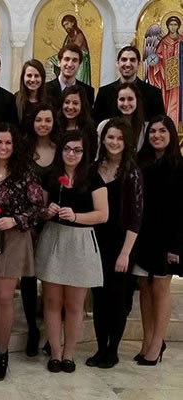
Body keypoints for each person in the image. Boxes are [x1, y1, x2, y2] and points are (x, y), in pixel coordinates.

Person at [0, 124, 44, 381]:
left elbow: (38, 208)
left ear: (14, 146)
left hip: (14, 236)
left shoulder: (24, 173)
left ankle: (3, 354)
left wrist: (15, 220)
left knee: (4, 296)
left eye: (8, 143)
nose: (3, 147)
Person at [35, 130, 108, 373]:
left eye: (77, 150)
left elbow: (102, 214)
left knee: (75, 305)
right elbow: (40, 211)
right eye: (67, 149)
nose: (71, 154)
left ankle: (69, 354)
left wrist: (76, 216)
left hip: (80, 241)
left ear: (84, 152)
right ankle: (55, 353)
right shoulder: (50, 176)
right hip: (53, 238)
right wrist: (47, 212)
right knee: (52, 302)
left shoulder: (93, 177)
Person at [88, 118, 143, 369]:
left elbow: (136, 217)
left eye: (120, 138)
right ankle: (100, 348)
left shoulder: (132, 172)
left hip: (122, 244)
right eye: (110, 137)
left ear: (127, 142)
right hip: (96, 242)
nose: (114, 142)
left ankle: (113, 350)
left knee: (117, 299)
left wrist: (125, 253)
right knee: (99, 298)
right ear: (103, 139)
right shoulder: (93, 168)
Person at [133, 115, 182, 365]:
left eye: (162, 131)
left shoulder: (178, 165)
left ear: (171, 134)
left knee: (161, 289)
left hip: (167, 238)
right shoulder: (141, 162)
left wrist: (177, 246)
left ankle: (156, 345)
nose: (157, 136)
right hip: (142, 236)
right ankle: (148, 339)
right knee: (144, 288)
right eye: (152, 132)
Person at [21, 104, 59, 356]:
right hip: (28, 221)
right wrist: (30, 218)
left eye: (48, 120)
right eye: (39, 119)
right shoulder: (24, 149)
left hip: (55, 221)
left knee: (51, 277)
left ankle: (51, 332)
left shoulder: (60, 149)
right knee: (27, 275)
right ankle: (32, 328)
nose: (43, 124)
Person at [94, 46, 164, 124]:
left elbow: (159, 125)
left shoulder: (153, 93)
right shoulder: (104, 93)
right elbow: (96, 124)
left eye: (132, 60)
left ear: (138, 64)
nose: (128, 64)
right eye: (124, 60)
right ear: (117, 63)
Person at [96, 83, 147, 153]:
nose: (126, 103)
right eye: (122, 99)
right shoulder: (103, 125)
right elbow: (98, 155)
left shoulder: (146, 129)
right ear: (116, 101)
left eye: (130, 99)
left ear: (137, 101)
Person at [45, 44, 95, 111]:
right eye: (67, 59)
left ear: (79, 65)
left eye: (74, 60)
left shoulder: (88, 92)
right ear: (59, 62)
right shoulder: (45, 90)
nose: (70, 64)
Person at [57, 86, 96, 150]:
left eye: (75, 103)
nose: (70, 107)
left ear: (82, 105)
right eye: (67, 102)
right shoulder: (55, 127)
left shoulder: (89, 130)